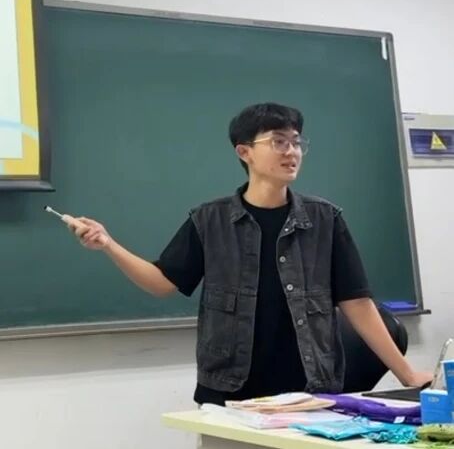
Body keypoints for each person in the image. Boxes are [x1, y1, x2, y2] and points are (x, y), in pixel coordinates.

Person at [67, 103, 432, 405]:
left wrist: (407, 374)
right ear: (244, 152)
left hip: (310, 393)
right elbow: (162, 282)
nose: (291, 151)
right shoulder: (209, 220)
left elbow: (358, 303)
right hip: (229, 394)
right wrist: (109, 244)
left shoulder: (325, 220)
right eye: (278, 142)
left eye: (296, 142)